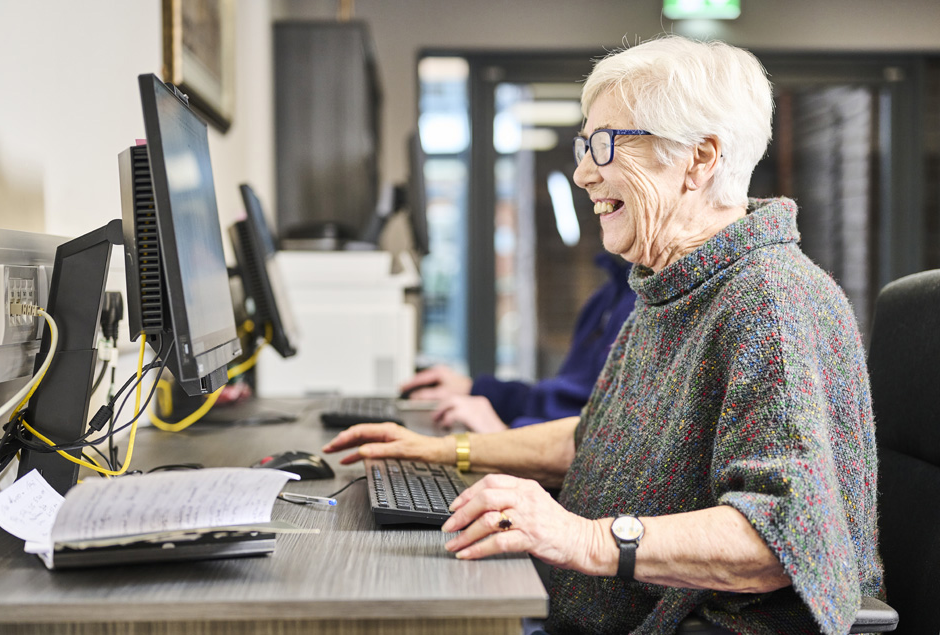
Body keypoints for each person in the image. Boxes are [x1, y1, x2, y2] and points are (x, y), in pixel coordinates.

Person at [325, 35, 882, 634]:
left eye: (607, 143)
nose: (583, 170)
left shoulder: (769, 300)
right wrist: (438, 450)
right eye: (584, 144)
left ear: (699, 159)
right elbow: (596, 438)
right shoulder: (675, 286)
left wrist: (583, 538)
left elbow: (785, 535)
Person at [402, 253, 636, 433]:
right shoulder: (608, 296)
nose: (585, 186)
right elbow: (562, 405)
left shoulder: (644, 309)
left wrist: (503, 436)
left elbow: (600, 445)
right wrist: (476, 390)